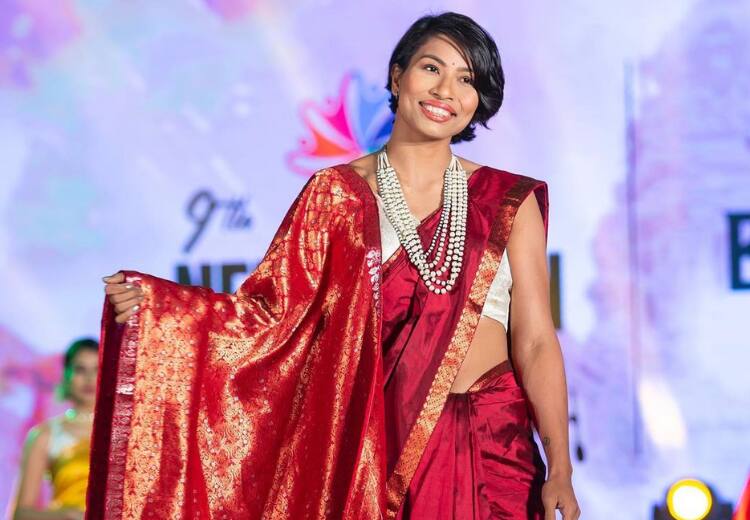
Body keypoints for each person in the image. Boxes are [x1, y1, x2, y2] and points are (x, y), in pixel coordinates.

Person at [95, 11, 579, 520]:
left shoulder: (506, 199)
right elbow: (271, 318)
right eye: (431, 68)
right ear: (398, 76)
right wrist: (167, 307)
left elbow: (536, 340)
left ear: (479, 101)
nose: (446, 91)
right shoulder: (335, 195)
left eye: (467, 80)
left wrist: (561, 469)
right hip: (381, 448)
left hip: (495, 442)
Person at [13, 338, 98, 520]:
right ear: (66, 375)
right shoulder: (46, 434)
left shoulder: (124, 433)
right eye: (80, 369)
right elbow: (20, 514)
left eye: (97, 369)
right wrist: (65, 516)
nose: (89, 378)